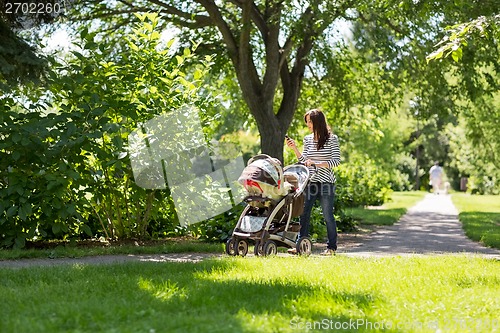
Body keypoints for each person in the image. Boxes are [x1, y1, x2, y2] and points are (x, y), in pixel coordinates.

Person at [285, 109, 341, 255]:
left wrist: (316, 163)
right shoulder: (307, 139)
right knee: (304, 213)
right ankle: (300, 246)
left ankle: (331, 248)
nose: (308, 124)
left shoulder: (332, 139)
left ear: (318, 122)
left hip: (326, 183)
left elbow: (335, 161)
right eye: (307, 122)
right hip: (310, 182)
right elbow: (304, 161)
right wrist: (295, 149)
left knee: (328, 215)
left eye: (310, 121)